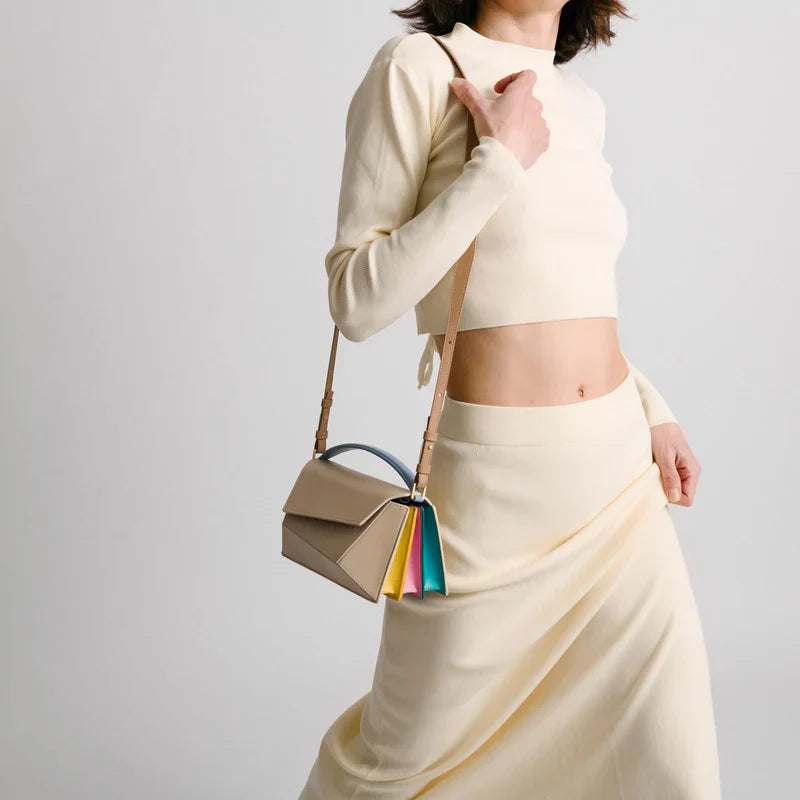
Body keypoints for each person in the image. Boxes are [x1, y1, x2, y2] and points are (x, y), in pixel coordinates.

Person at [298, 1, 722, 797]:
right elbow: (355, 302)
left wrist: (653, 408)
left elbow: (570, 292)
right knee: (400, 762)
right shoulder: (419, 69)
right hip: (488, 500)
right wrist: (496, 162)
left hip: (618, 487)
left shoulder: (583, 103)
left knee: (670, 761)